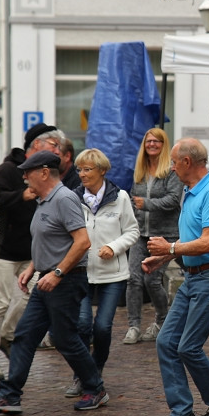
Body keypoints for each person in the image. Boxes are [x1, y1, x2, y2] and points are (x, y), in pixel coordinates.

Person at [0, 151, 105, 415]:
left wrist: (56, 273)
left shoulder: (64, 198)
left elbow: (82, 242)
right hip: (47, 278)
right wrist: (34, 268)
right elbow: (48, 240)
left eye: (28, 172)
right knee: (24, 335)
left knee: (64, 338)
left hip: (65, 280)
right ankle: (10, 395)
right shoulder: (44, 201)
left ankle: (95, 388)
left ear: (45, 172)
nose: (24, 177)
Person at [141, 138, 209, 416]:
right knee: (167, 342)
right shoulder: (190, 191)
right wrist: (164, 257)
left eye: (173, 162)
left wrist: (169, 248)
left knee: (188, 347)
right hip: (195, 276)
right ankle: (183, 415)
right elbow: (192, 239)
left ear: (187, 162)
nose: (170, 168)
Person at [0, 123, 61, 382]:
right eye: (53, 145)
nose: (58, 150)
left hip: (32, 252)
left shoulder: (49, 173)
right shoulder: (7, 169)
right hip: (2, 249)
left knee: (36, 292)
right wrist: (20, 196)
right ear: (37, 145)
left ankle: (8, 334)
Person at [64, 148, 139, 398]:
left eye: (87, 169)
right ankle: (82, 376)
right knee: (83, 325)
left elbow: (132, 231)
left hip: (113, 274)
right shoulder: (72, 198)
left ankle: (95, 371)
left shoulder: (121, 198)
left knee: (103, 328)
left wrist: (113, 247)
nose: (82, 174)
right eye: (79, 169)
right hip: (81, 272)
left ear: (102, 171)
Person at [125, 128, 181, 344]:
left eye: (157, 141)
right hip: (140, 233)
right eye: (149, 141)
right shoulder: (140, 170)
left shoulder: (171, 170)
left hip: (164, 235)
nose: (152, 144)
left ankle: (161, 320)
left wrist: (146, 204)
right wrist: (134, 208)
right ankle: (133, 326)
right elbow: (132, 198)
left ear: (163, 145)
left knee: (152, 280)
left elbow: (174, 200)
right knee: (133, 279)